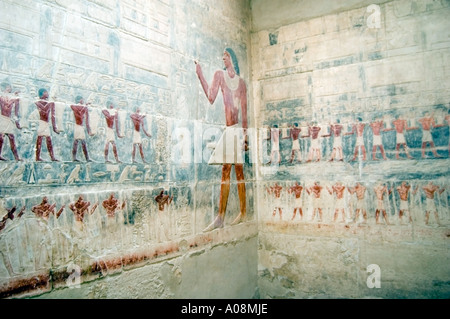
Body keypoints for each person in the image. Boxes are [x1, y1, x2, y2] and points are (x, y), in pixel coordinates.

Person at [195, 48, 248, 231]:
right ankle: (222, 217)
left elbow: (245, 113)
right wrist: (200, 74)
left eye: (225, 55)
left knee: (238, 173)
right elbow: (211, 97)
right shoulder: (219, 75)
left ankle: (240, 213)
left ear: (231, 57)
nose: (222, 58)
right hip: (229, 130)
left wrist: (246, 137)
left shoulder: (241, 83)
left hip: (237, 132)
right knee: (227, 171)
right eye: (222, 56)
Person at [35, 88, 60, 161]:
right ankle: (37, 157)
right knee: (40, 140)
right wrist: (51, 103)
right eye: (46, 92)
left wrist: (54, 127)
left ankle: (52, 157)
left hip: (46, 123)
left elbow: (53, 116)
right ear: (42, 93)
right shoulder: (38, 102)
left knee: (48, 140)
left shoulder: (49, 103)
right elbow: (44, 109)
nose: (47, 93)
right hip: (41, 122)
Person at [0, 82, 22, 161]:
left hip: (8, 120)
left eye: (10, 87)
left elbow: (15, 112)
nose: (9, 89)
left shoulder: (14, 98)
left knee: (11, 137)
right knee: (1, 138)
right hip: (2, 119)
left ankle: (16, 157)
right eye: (8, 87)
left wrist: (16, 122)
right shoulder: (2, 97)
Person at [70, 96, 94, 162]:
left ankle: (84, 157)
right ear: (79, 100)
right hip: (78, 126)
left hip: (80, 126)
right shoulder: (77, 107)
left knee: (80, 142)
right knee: (78, 142)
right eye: (82, 99)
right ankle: (77, 157)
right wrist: (85, 105)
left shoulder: (81, 107)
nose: (83, 100)